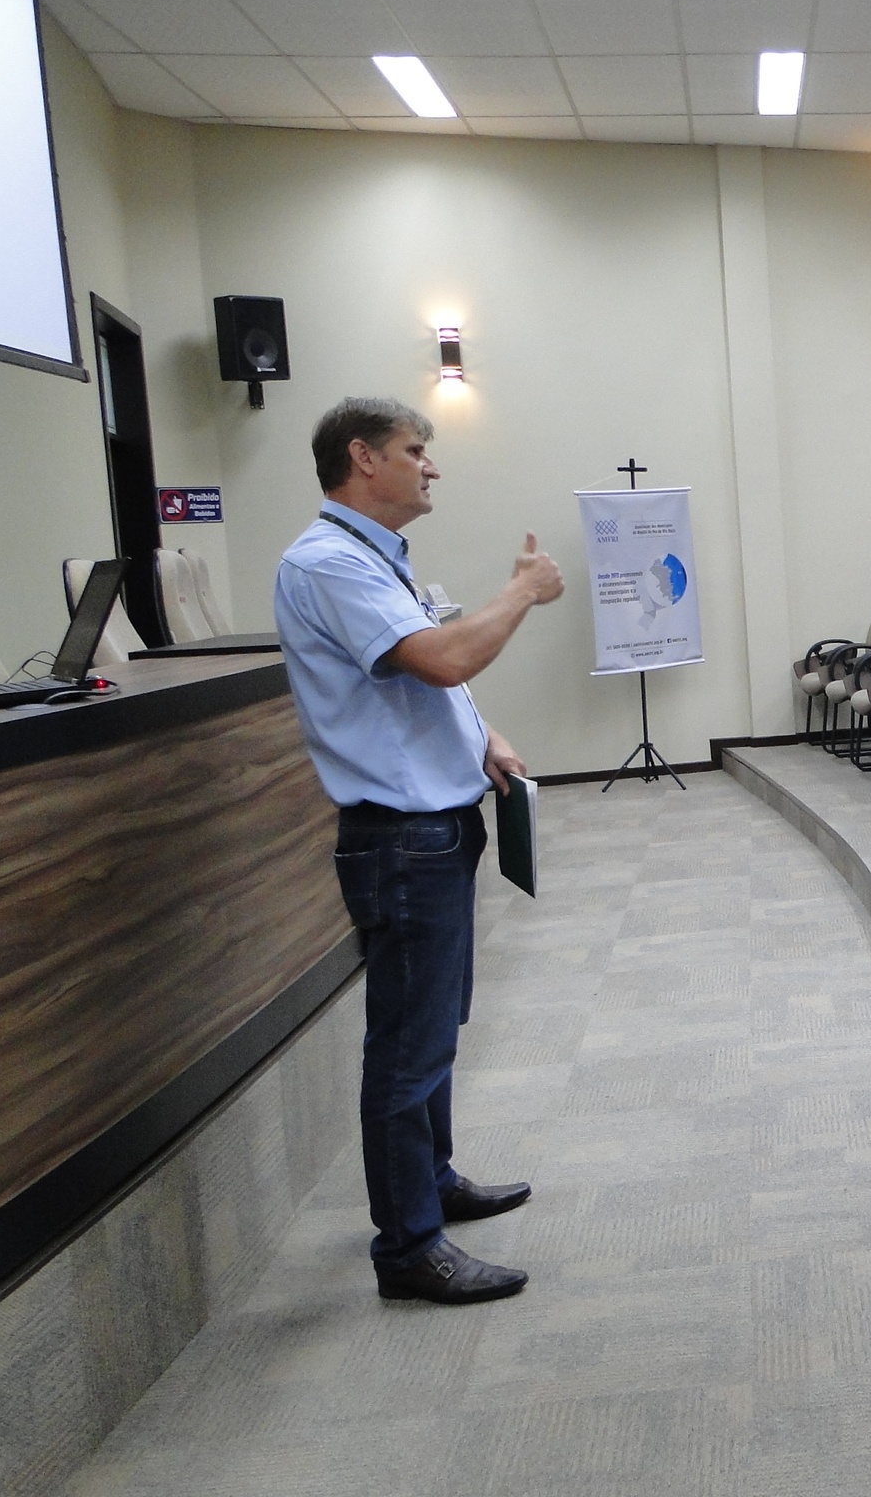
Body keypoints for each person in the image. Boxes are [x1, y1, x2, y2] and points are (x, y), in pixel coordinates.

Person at [274, 397, 564, 1305]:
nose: (430, 467)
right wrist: (520, 592)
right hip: (399, 840)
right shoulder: (326, 562)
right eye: (414, 452)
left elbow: (424, 685)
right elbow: (440, 659)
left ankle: (430, 1181)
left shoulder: (374, 558)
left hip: (434, 828)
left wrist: (485, 738)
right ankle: (408, 1248)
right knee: (406, 1046)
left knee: (434, 1030)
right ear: (362, 459)